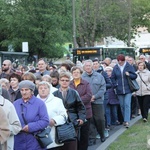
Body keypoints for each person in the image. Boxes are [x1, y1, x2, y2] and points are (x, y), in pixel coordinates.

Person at [53, 71, 86, 150]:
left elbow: (81, 107)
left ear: (69, 81)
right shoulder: (54, 94)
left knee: (72, 145)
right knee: (60, 145)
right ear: (59, 81)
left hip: (72, 121)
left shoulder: (74, 93)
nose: (64, 82)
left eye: (67, 80)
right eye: (62, 80)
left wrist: (81, 118)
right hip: (59, 123)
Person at [13, 80, 49, 150]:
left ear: (32, 91)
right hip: (18, 141)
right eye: (22, 90)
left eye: (26, 90)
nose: (24, 92)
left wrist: (30, 127)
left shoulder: (39, 103)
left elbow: (45, 121)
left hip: (34, 140)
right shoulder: (15, 103)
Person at [37, 81, 67, 150]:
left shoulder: (57, 101)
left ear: (49, 90)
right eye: (40, 88)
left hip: (53, 133)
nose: (43, 90)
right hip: (38, 134)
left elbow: (64, 115)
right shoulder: (34, 102)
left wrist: (54, 120)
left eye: (45, 88)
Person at [82, 59, 106, 145]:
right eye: (86, 66)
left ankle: (102, 134)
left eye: (89, 65)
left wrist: (95, 96)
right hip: (87, 103)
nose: (88, 67)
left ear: (92, 66)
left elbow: (103, 88)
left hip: (98, 101)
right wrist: (87, 98)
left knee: (100, 119)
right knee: (90, 120)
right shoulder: (81, 77)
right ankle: (92, 138)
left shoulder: (99, 76)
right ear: (84, 67)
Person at [111, 54, 137, 128]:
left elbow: (135, 76)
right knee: (122, 106)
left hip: (128, 89)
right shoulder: (116, 67)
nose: (120, 63)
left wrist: (129, 75)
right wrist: (115, 84)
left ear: (124, 61)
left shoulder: (129, 66)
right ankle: (125, 118)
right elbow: (112, 78)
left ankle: (126, 120)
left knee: (127, 104)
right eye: (118, 61)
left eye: (121, 61)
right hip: (119, 90)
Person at [70, 66, 92, 150]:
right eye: (74, 72)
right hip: (73, 113)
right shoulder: (69, 84)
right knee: (74, 135)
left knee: (84, 134)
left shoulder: (86, 83)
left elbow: (88, 95)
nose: (75, 74)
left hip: (85, 112)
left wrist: (77, 100)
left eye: (77, 72)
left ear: (81, 74)